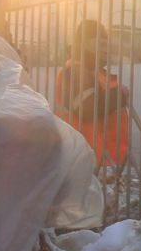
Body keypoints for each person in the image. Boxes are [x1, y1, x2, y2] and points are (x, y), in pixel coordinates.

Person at [54, 19, 130, 170]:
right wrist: (119, 96)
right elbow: (87, 109)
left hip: (107, 160)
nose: (106, 49)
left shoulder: (96, 73)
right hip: (87, 160)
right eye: (101, 44)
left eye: (107, 44)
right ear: (84, 44)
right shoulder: (74, 70)